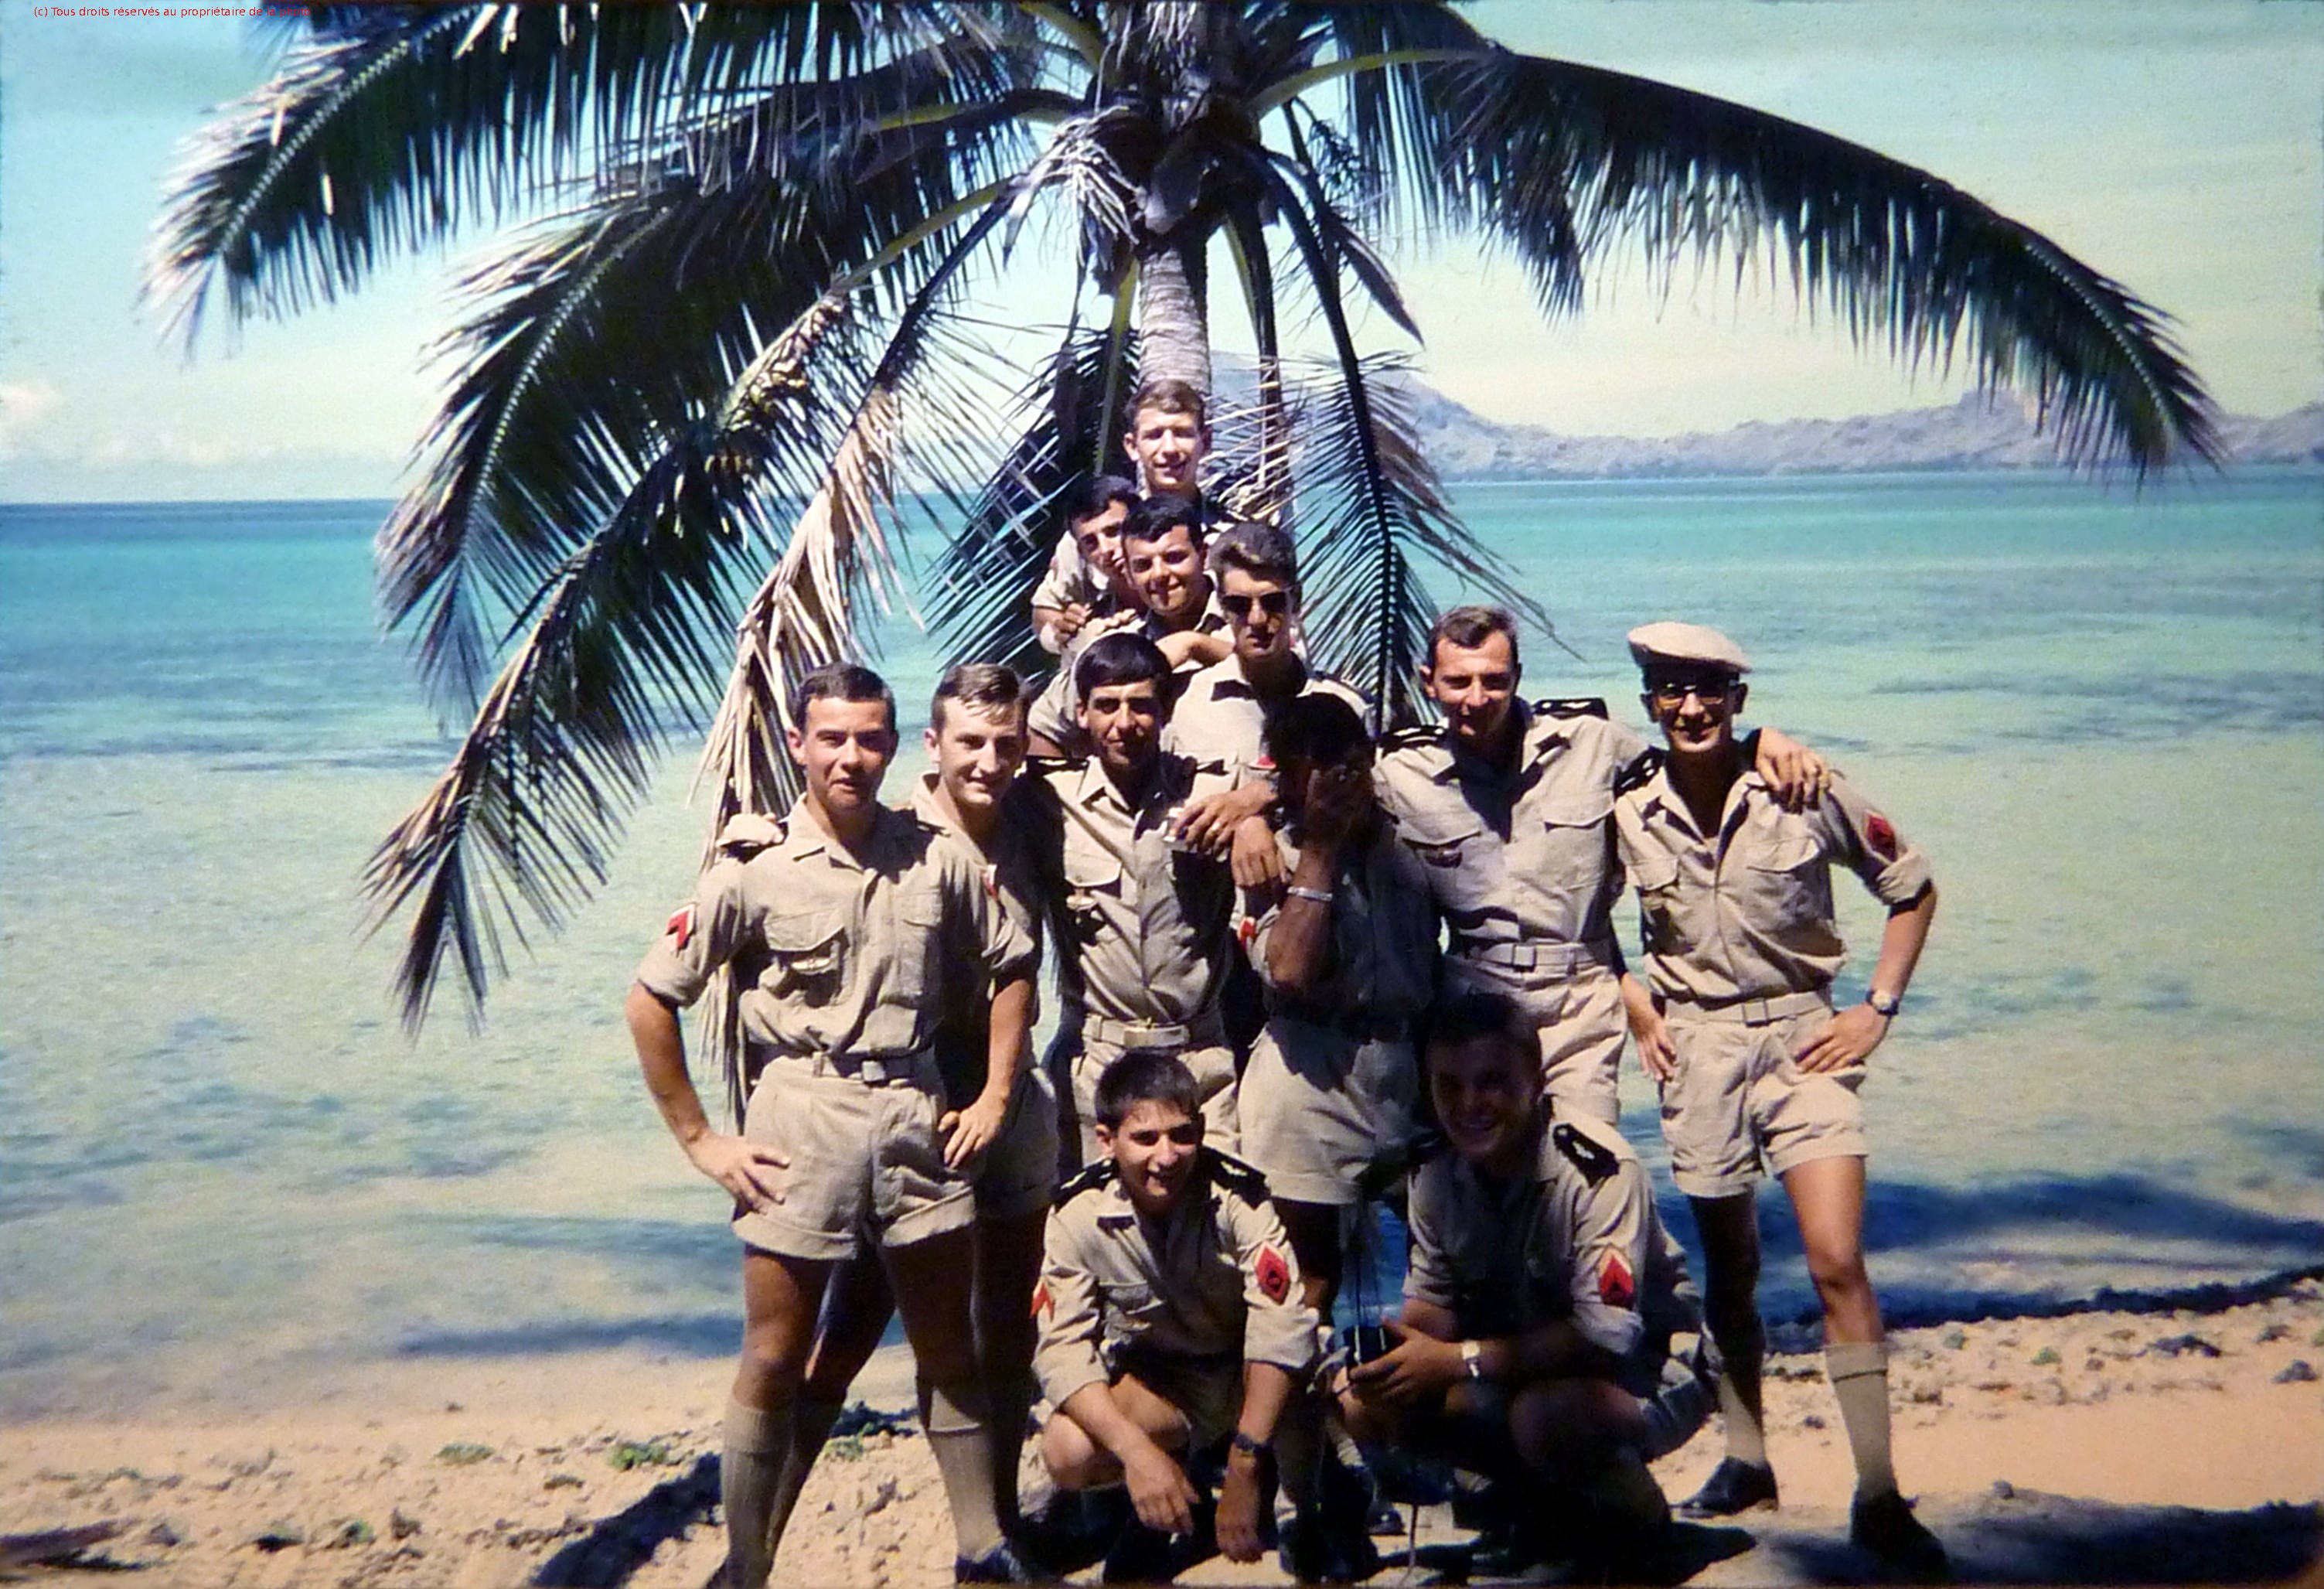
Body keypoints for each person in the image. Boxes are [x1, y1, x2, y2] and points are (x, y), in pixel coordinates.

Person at [625, 663, 1038, 1587]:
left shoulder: (935, 856)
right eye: (833, 739)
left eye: (869, 739)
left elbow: (1013, 964)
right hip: (800, 1122)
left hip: (915, 1116)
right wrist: (701, 1141)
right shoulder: (754, 869)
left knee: (948, 1347)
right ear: (799, 745)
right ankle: (747, 1564)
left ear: (892, 747)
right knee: (776, 1355)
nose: (851, 757)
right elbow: (651, 1000)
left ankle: (981, 1548)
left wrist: (994, 1097)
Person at [1614, 621, 1947, 1577]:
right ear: (1650, 701)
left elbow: (1912, 888)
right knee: (1730, 1270)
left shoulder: (1803, 787)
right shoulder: (1626, 804)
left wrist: (1878, 1009)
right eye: (1672, 690)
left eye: (1709, 691)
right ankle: (1748, 1458)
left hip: (1805, 1040)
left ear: (1739, 700)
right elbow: (1581, 921)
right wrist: (1636, 1003)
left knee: (1837, 1260)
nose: (1690, 708)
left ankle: (1878, 1493)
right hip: (1699, 1051)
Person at [756, 664, 1058, 1564]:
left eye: (1006, 744)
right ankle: (755, 1545)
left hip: (1004, 1102)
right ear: (932, 746)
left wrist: (999, 1097)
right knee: (846, 1333)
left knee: (1006, 1327)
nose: (989, 762)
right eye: (971, 744)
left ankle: (993, 1536)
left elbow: (1105, 714)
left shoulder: (1032, 818)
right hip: (906, 1110)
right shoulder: (896, 833)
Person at [1373, 605, 1828, 1127]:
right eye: (1459, 682)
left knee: (1585, 1154)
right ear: (1428, 682)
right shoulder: (1399, 772)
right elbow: (1323, 794)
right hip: (1471, 1007)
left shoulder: (1591, 740)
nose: (1477, 699)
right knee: (1483, 1165)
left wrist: (1758, 742)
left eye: (1494, 680)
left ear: (1517, 677)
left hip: (1580, 1004)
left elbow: (1686, 772)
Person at [1339, 992, 1713, 1574]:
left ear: (1536, 1082)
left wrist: (1455, 1360)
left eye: (1491, 1082)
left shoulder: (1596, 1170)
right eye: (1449, 1085)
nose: (1469, 1104)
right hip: (1524, 1364)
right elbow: (1433, 1305)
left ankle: (1640, 1520)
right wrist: (1396, 1359)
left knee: (1543, 1418)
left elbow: (1606, 1337)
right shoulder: (1435, 1170)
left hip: (1649, 1368)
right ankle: (1537, 1511)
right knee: (1364, 1400)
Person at [1034, 1052, 1340, 1581]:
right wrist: (1137, 1454)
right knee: (1067, 1450)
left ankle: (1306, 1507)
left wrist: (1244, 1461)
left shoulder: (1238, 1197)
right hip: (1174, 1386)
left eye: (1181, 1135)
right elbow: (1062, 1351)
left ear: (1200, 1129)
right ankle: (1175, 1503)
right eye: (1145, 1138)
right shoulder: (1076, 1215)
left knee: (1307, 1364)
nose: (1167, 1156)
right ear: (1106, 1140)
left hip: (1253, 1373)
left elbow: (1282, 1328)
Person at [1235, 693, 1434, 1316]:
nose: (1339, 785)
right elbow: (1289, 970)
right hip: (1307, 1077)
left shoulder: (1408, 838)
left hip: (1403, 1072)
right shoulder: (1270, 854)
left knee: (1445, 1266)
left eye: (1349, 765)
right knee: (1309, 1280)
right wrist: (1320, 848)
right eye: (1316, 770)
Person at [1016, 632, 1239, 1165]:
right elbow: (958, 798)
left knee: (1219, 1209)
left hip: (1199, 1063)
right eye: (1107, 706)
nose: (1125, 723)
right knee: (1093, 1213)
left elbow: (1308, 769)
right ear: (1081, 712)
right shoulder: (1046, 800)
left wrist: (1256, 803)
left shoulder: (1213, 789)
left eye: (1141, 705)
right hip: (1095, 1063)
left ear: (1166, 709)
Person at [1166, 519, 1367, 885]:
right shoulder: (1185, 704)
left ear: (1296, 601)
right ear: (1222, 606)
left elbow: (1365, 816)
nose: (1257, 619)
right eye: (1239, 605)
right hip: (1211, 911)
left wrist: (1264, 795)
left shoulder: (1345, 708)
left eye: (1273, 602)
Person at [1027, 494, 1232, 759]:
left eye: (1174, 558)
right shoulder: (1114, 648)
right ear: (1131, 575)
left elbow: (1279, 673)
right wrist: (1075, 782)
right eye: (1143, 565)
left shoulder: (1248, 612)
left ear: (1203, 555)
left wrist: (1196, 645)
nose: (1159, 574)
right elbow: (1043, 727)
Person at [1030, 474, 1143, 655]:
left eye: (1114, 531)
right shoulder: (1096, 629)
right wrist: (1061, 634)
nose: (1105, 549)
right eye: (1091, 542)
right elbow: (1044, 610)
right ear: (1082, 553)